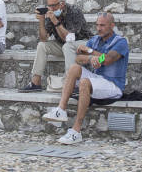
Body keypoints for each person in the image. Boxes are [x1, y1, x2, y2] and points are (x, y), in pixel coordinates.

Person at [41, 12, 130, 145]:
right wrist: (90, 58)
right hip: (98, 78)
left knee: (84, 82)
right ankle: (61, 110)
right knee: (74, 68)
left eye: (102, 25)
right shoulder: (95, 40)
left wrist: (90, 52)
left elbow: (108, 59)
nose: (99, 28)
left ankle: (76, 131)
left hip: (113, 84)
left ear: (112, 26)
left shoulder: (120, 42)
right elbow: (78, 58)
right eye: (97, 25)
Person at [18, 0, 91, 92]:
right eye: (49, 5)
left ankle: (72, 83)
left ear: (62, 4)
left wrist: (55, 20)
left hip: (82, 44)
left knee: (67, 46)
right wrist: (41, 21)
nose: (51, 8)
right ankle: (36, 82)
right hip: (65, 46)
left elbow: (69, 38)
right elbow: (44, 38)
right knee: (42, 45)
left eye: (53, 5)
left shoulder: (74, 11)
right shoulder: (50, 13)